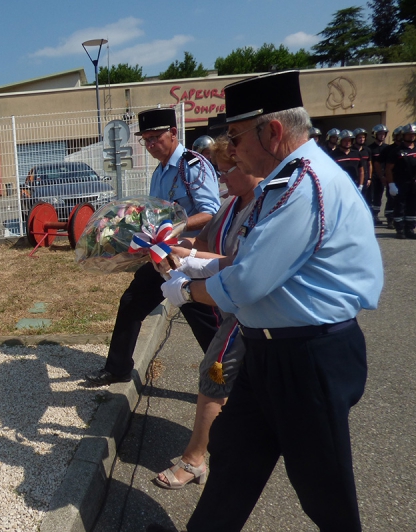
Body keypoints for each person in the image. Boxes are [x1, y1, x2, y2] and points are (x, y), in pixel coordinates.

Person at [161, 70, 383, 532]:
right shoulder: (281, 183)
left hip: (308, 356)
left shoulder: (305, 185)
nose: (232, 148)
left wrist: (186, 290)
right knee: (234, 459)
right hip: (269, 350)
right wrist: (198, 267)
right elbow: (248, 261)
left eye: (237, 136)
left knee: (325, 489)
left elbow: (247, 283)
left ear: (274, 131)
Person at [153, 136, 263, 490]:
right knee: (217, 375)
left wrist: (187, 285)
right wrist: (174, 252)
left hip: (254, 314)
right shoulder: (232, 206)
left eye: (228, 170)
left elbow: (241, 268)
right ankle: (204, 456)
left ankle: (196, 459)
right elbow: (204, 248)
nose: (222, 179)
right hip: (239, 311)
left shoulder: (266, 207)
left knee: (217, 376)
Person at [84, 108, 222, 387]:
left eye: (155, 138)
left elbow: (211, 211)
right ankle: (118, 368)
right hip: (160, 257)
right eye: (145, 140)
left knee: (204, 323)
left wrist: (174, 230)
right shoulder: (160, 171)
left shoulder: (192, 166)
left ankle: (228, 379)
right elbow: (157, 213)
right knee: (131, 302)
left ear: (173, 133)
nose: (149, 145)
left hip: (187, 259)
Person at [385, 123, 416, 239]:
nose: (411, 136)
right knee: (400, 206)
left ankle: (410, 228)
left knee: (413, 206)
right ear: (403, 136)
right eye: (409, 134)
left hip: (413, 182)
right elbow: (389, 168)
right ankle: (399, 229)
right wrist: (391, 184)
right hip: (400, 183)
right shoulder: (396, 151)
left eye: (413, 134)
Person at [381, 126, 404, 228]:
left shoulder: (408, 148)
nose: (400, 137)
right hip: (393, 178)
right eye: (398, 135)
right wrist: (383, 176)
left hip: (405, 179)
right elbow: (380, 163)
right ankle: (390, 219)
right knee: (391, 199)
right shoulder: (389, 149)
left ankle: (403, 220)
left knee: (403, 201)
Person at [367, 123, 389, 225]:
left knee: (379, 196)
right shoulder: (370, 148)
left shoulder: (387, 148)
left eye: (383, 134)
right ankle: (371, 215)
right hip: (373, 175)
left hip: (384, 175)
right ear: (375, 135)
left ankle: (376, 214)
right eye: (380, 134)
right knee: (370, 195)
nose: (382, 136)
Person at [353, 127, 371, 193]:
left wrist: (369, 178)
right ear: (355, 139)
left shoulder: (367, 150)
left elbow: (369, 165)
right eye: (360, 138)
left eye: (363, 137)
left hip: (365, 178)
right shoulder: (351, 150)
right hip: (354, 178)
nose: (362, 139)